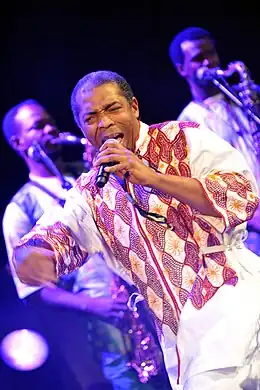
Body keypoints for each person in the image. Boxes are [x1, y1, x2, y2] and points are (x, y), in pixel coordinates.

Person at [12, 71, 260, 389]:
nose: (104, 123)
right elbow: (61, 232)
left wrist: (152, 178)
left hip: (236, 303)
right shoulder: (91, 190)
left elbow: (241, 195)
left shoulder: (183, 138)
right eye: (91, 117)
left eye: (113, 109)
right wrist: (36, 255)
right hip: (186, 339)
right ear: (82, 129)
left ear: (134, 107)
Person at [2, 99, 167, 390]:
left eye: (50, 121)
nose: (50, 129)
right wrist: (96, 305)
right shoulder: (19, 209)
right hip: (106, 318)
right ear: (18, 142)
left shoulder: (89, 175)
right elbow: (33, 290)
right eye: (38, 126)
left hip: (142, 292)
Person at [168, 26, 260, 256]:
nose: (209, 62)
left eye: (211, 53)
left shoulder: (244, 100)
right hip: (246, 231)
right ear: (182, 69)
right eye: (198, 58)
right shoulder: (187, 123)